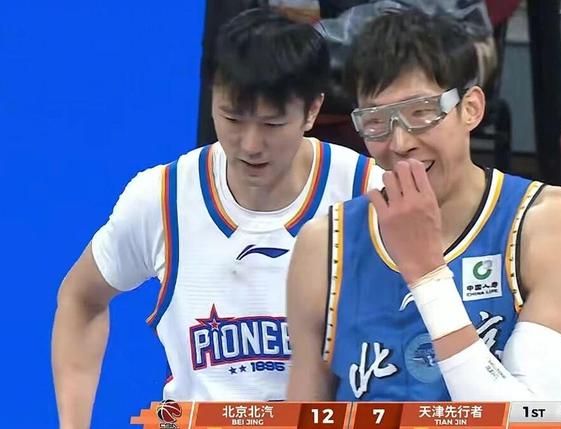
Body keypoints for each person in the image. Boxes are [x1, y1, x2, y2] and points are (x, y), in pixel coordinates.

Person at [52, 8, 382, 428]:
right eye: (232, 118)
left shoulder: (367, 193)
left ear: (312, 110)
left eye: (272, 123)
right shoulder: (163, 197)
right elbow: (80, 299)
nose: (250, 144)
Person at [286, 10, 561, 401]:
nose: (400, 142)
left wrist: (427, 275)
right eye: (376, 121)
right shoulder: (326, 244)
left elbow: (526, 421)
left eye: (421, 112)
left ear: (471, 108)